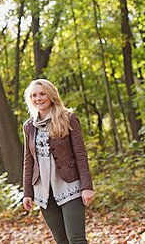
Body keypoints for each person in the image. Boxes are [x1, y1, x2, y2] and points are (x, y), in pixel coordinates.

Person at [22, 79, 94, 244]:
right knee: (61, 240)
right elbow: (28, 160)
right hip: (43, 191)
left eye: (42, 94)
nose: (38, 98)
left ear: (51, 95)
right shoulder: (29, 126)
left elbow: (80, 154)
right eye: (34, 95)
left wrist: (87, 187)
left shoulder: (68, 118)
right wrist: (27, 192)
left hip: (70, 186)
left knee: (76, 239)